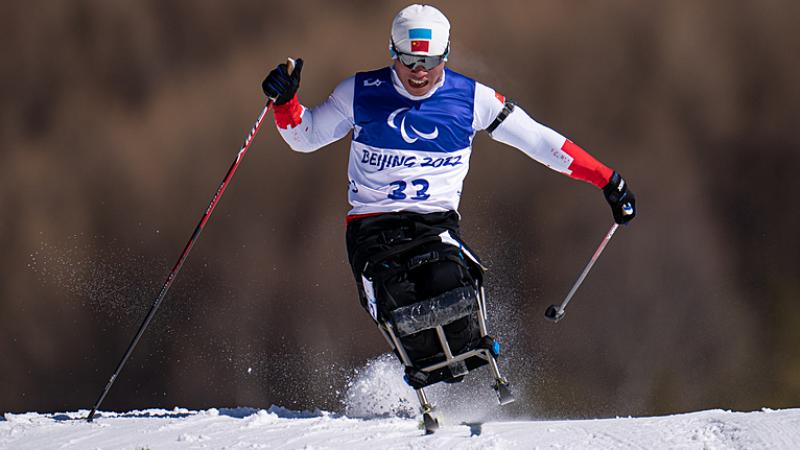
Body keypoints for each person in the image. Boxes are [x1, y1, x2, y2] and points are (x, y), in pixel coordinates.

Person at [261, 3, 635, 415]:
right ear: (393, 53)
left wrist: (606, 179)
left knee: (450, 287)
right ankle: (404, 396)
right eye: (409, 60)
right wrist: (286, 102)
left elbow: (539, 141)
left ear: (446, 55)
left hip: (434, 223)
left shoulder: (472, 99)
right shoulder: (359, 92)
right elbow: (306, 136)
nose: (419, 72)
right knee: (400, 303)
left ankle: (467, 371)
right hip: (372, 227)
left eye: (430, 61)